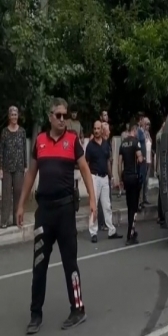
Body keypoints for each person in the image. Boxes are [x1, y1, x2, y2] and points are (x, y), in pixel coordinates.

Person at [16, 98, 97, 334]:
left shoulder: (72, 141)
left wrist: (92, 199)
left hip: (64, 212)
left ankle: (78, 308)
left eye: (65, 116)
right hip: (44, 213)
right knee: (39, 265)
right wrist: (21, 205)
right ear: (50, 116)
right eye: (58, 115)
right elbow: (31, 174)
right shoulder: (39, 141)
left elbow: (84, 169)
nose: (63, 119)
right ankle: (35, 314)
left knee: (70, 263)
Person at [86, 120, 122, 243]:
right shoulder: (90, 146)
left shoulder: (106, 144)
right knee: (94, 206)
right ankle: (93, 232)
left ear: (102, 130)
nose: (96, 131)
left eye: (98, 128)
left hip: (104, 178)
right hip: (94, 177)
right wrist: (87, 181)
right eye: (94, 128)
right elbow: (86, 164)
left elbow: (108, 162)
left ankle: (111, 230)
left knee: (107, 205)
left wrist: (111, 177)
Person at [0, 106, 27, 228]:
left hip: (19, 168)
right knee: (6, 195)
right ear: (9, 116)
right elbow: (1, 151)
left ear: (18, 116)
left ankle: (17, 220)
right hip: (6, 167)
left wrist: (25, 167)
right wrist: (0, 168)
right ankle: (4, 221)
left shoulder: (22, 132)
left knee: (18, 193)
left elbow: (24, 150)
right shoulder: (4, 132)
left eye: (16, 114)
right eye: (12, 114)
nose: (14, 117)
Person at [119, 122, 144, 245]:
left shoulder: (123, 143)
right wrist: (142, 158)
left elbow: (119, 163)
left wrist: (120, 178)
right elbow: (140, 159)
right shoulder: (136, 143)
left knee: (129, 205)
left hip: (126, 177)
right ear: (134, 130)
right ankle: (130, 233)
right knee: (134, 207)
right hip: (134, 177)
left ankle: (131, 231)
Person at [97, 122, 112, 232]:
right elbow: (108, 162)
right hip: (100, 175)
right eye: (107, 130)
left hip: (105, 175)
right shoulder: (103, 143)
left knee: (106, 202)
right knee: (103, 202)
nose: (109, 131)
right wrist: (111, 175)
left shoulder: (106, 143)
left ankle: (106, 223)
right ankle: (102, 223)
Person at [156, 118, 166, 227]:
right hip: (161, 168)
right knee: (162, 193)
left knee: (162, 192)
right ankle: (161, 216)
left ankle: (162, 215)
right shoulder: (160, 135)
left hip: (161, 168)